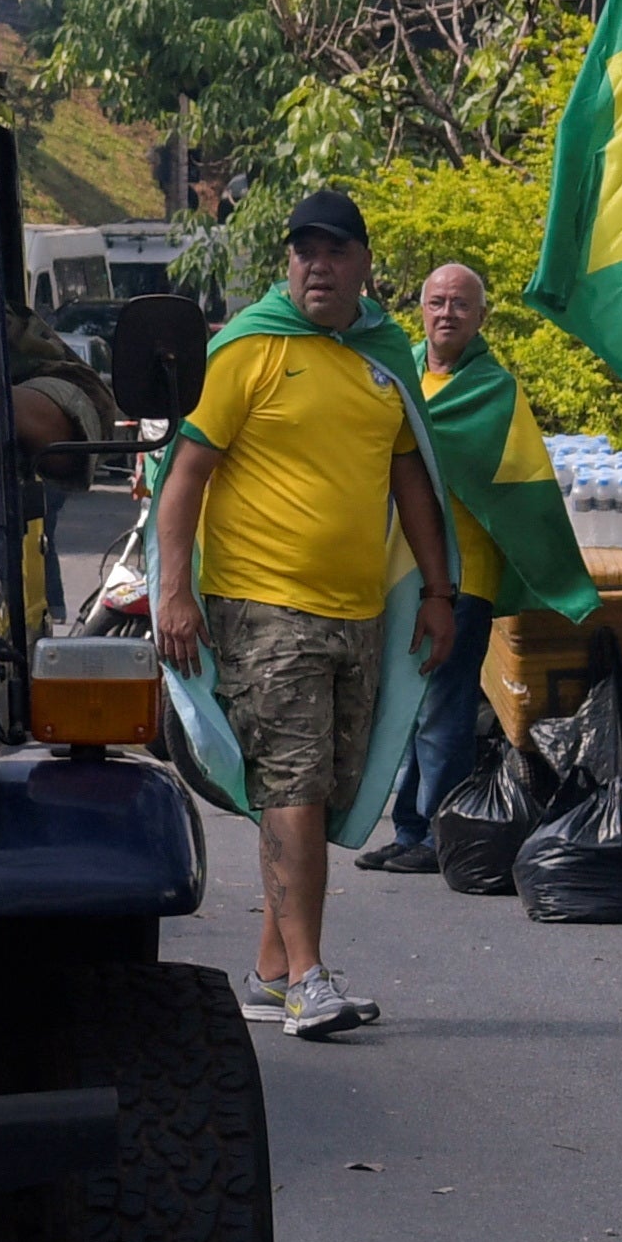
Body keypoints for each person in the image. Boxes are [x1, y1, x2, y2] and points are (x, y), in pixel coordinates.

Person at [148, 189, 459, 1040]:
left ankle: (269, 970)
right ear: (287, 264)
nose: (315, 266)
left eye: (333, 252)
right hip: (261, 607)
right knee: (292, 783)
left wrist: (438, 591)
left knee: (319, 789)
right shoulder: (248, 349)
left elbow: (412, 483)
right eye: (302, 252)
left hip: (357, 613)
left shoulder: (382, 359)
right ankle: (310, 979)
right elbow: (184, 477)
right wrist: (172, 590)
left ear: (363, 264)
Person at [361, 262, 534, 875]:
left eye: (461, 305)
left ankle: (441, 835)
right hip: (400, 571)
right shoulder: (399, 374)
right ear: (421, 310)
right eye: (436, 302)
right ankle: (410, 830)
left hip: (465, 577)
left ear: (481, 316)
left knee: (443, 708)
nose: (447, 315)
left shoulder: (492, 388)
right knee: (408, 708)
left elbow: (515, 486)